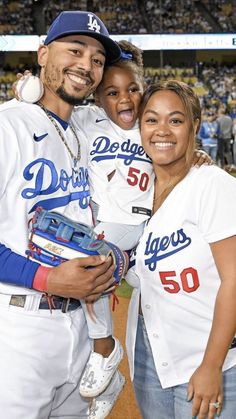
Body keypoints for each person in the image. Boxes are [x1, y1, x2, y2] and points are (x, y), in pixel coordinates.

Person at [11, 42, 212, 419]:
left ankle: (106, 350)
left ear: (144, 87)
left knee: (92, 266)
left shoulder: (150, 124)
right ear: (98, 96)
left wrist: (195, 154)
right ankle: (113, 359)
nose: (125, 99)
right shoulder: (87, 121)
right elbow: (45, 104)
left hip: (135, 223)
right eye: (112, 92)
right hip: (97, 220)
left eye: (133, 89)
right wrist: (28, 89)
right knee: (103, 275)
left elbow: (176, 141)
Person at [0, 10, 124, 419]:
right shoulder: (8, 128)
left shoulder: (78, 136)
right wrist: (48, 278)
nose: (86, 65)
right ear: (42, 54)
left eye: (97, 59)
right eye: (75, 50)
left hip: (80, 328)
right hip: (19, 327)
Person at [125, 80, 236, 419]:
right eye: (151, 119)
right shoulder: (132, 188)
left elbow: (234, 279)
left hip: (204, 356)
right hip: (149, 355)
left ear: (195, 127)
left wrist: (211, 365)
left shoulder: (213, 185)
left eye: (175, 120)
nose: (162, 131)